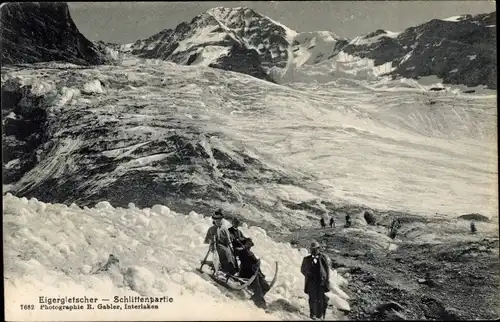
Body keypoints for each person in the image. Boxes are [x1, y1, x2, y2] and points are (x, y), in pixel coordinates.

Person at [229, 218, 270, 309]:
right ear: (232, 223)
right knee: (258, 287)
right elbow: (231, 243)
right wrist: (241, 245)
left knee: (266, 287)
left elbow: (246, 240)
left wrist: (246, 243)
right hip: (247, 270)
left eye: (237, 223)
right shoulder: (230, 231)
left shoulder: (239, 232)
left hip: (254, 270)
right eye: (235, 223)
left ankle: (256, 297)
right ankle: (260, 304)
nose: (236, 224)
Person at [301, 241, 331, 320]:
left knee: (320, 298)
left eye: (315, 249)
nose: (313, 251)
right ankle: (312, 314)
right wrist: (308, 275)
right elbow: (302, 269)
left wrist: (326, 279)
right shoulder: (306, 259)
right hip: (311, 282)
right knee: (312, 298)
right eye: (312, 249)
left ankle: (320, 314)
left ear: (318, 249)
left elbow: (327, 270)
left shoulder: (323, 258)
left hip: (321, 282)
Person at [204, 209, 238, 276]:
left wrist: (231, 248)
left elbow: (228, 241)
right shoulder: (211, 229)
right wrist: (211, 241)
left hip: (224, 245)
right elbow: (207, 240)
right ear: (214, 220)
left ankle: (233, 270)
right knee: (225, 252)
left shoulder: (224, 229)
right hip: (215, 246)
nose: (218, 221)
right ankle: (225, 269)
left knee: (231, 254)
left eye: (219, 220)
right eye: (216, 220)